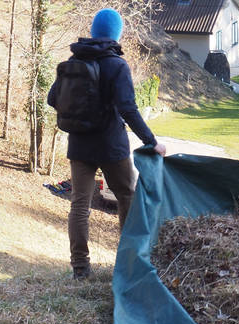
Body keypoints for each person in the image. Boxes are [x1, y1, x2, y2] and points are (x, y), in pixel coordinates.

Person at [47, 8, 166, 280]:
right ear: (116, 34)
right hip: (112, 145)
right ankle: (126, 263)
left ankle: (80, 269)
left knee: (79, 204)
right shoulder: (117, 65)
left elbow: (53, 99)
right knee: (127, 196)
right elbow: (128, 108)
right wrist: (152, 142)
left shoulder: (74, 60)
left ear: (93, 31)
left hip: (78, 144)